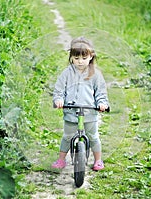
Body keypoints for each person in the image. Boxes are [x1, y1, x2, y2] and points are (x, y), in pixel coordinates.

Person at [52, 36, 109, 171]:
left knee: (94, 137)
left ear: (91, 56)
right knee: (67, 136)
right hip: (71, 112)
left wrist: (102, 103)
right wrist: (59, 99)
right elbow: (59, 89)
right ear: (71, 57)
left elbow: (101, 92)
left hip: (89, 112)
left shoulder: (95, 74)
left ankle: (98, 160)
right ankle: (61, 159)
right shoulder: (67, 73)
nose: (80, 62)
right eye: (76, 58)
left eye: (84, 58)